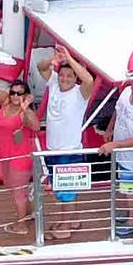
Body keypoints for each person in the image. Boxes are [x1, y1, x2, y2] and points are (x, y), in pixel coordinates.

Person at [41, 52, 94, 203]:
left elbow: (89, 80)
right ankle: (72, 220)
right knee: (61, 189)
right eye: (61, 75)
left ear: (76, 78)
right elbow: (42, 67)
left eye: (69, 76)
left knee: (67, 192)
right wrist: (53, 60)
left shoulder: (80, 93)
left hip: (70, 150)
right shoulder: (53, 84)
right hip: (52, 148)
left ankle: (66, 223)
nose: (64, 79)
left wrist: (69, 58)